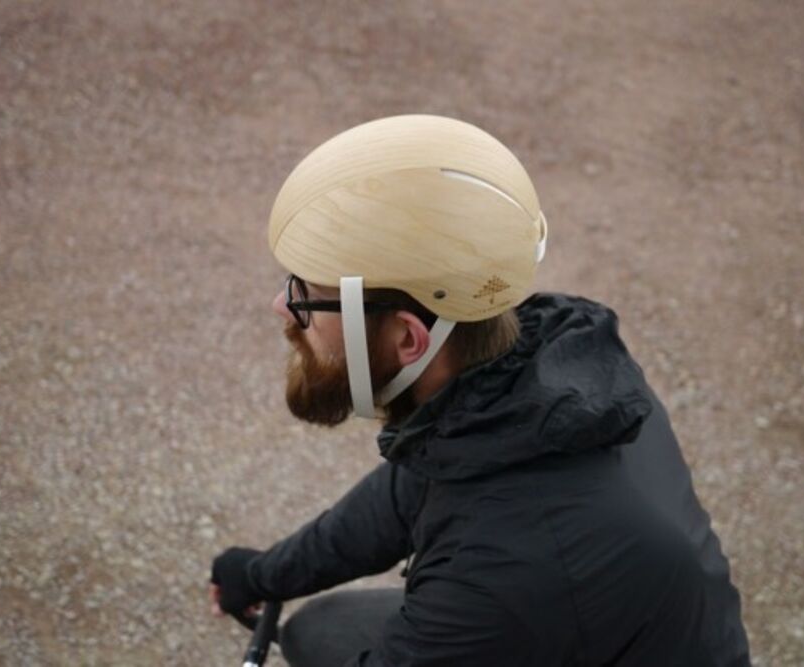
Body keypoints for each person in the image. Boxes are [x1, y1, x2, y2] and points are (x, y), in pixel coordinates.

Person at [209, 115, 751, 666]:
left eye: (305, 295)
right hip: (590, 621)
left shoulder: (496, 570)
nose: (282, 306)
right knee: (321, 631)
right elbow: (406, 491)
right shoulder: (528, 386)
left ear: (407, 338)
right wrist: (264, 574)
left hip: (542, 604)